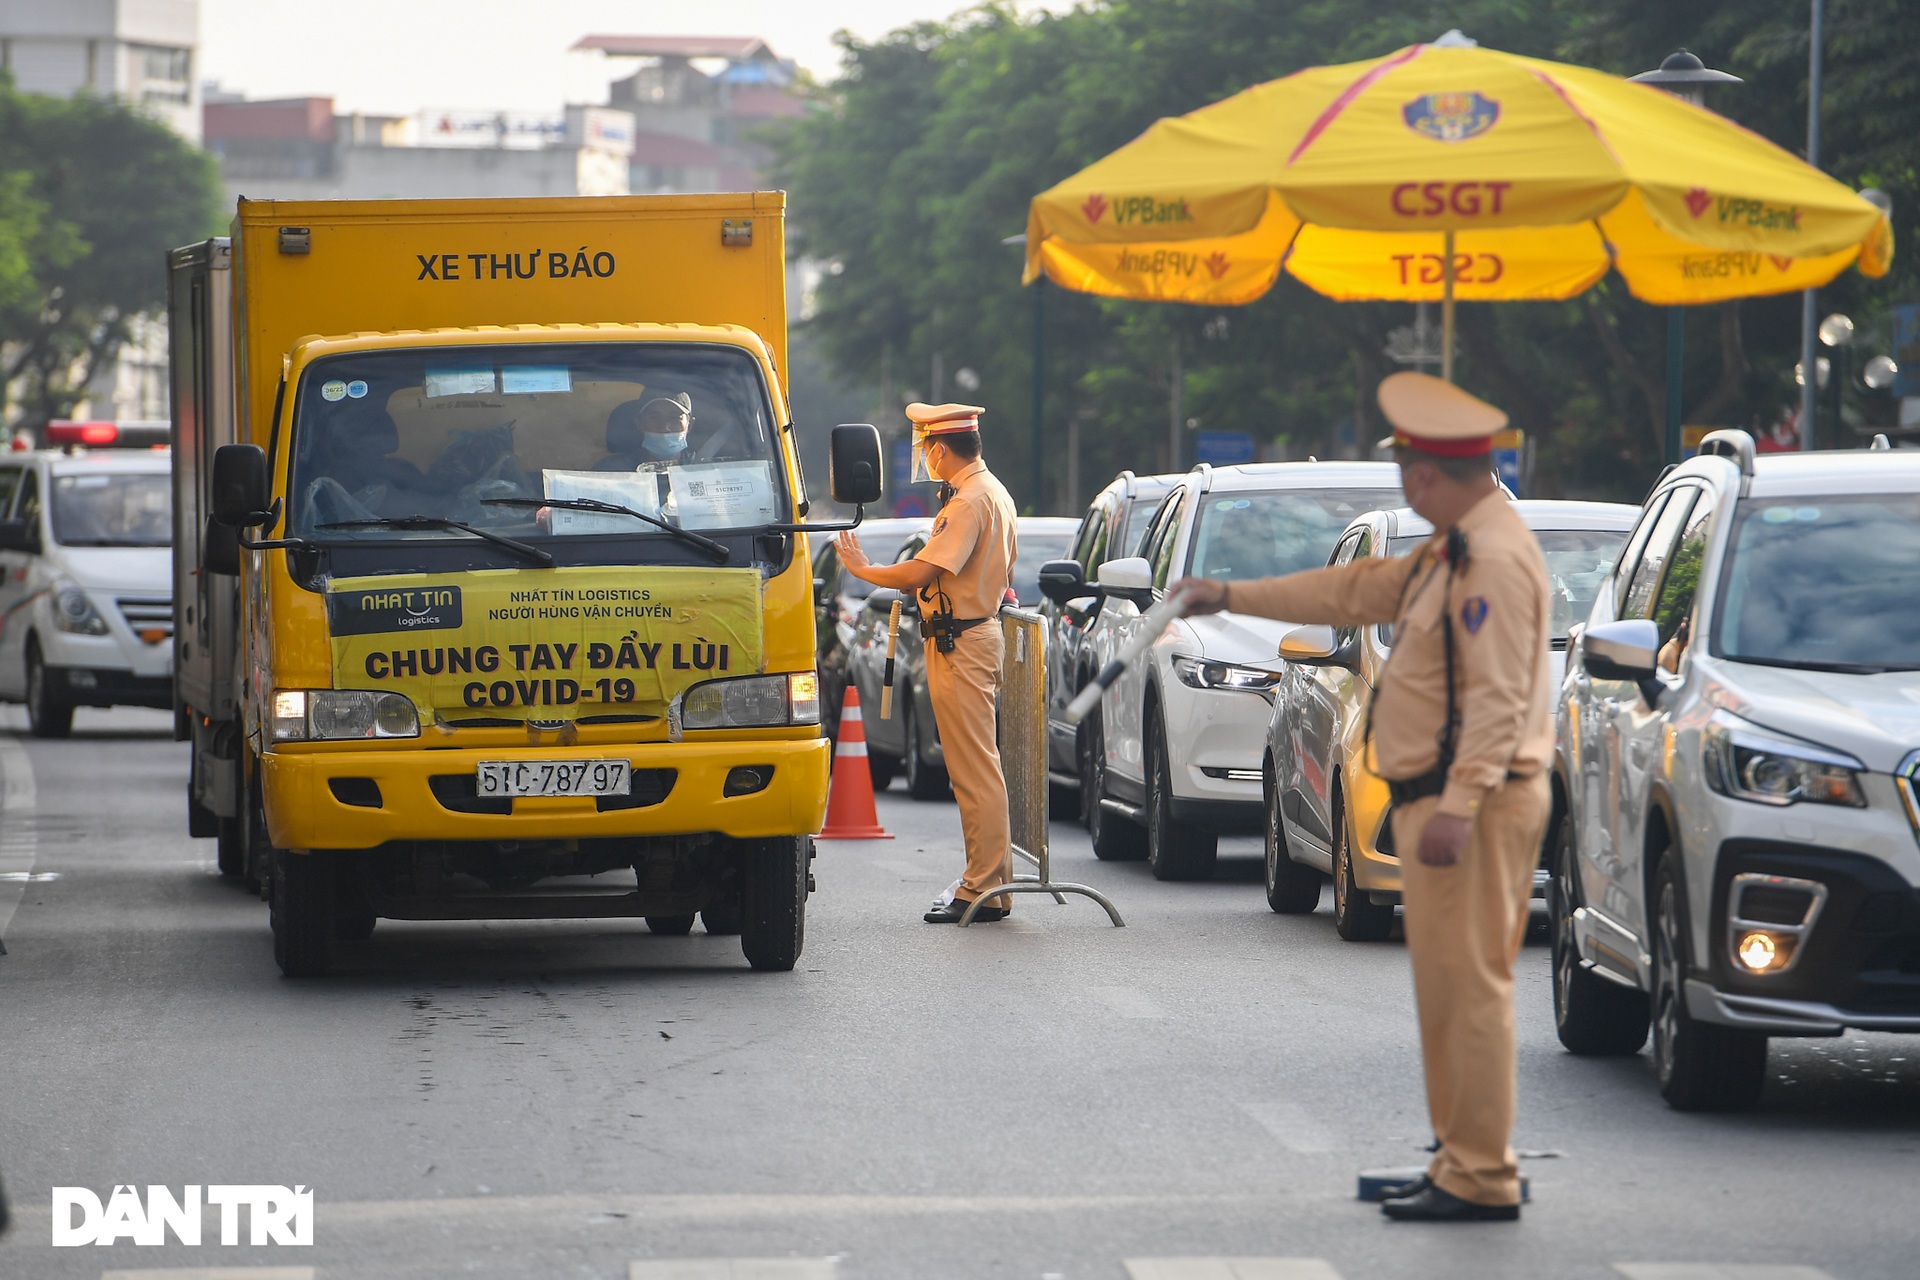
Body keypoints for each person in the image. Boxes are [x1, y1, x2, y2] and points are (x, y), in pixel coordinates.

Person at [1173, 371, 1552, 1223]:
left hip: (1474, 804)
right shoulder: (1458, 545)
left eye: (1409, 471)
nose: (1406, 486)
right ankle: (1459, 1157)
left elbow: (1496, 700)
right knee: (1447, 992)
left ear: (1428, 473)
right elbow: (1354, 591)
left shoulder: (1491, 557)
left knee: (1472, 993)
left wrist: (1457, 803)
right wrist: (1229, 595)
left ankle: (1481, 1173)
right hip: (1444, 796)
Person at [834, 403, 1019, 924]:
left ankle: (982, 887)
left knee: (974, 772)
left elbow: (922, 571)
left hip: (963, 643)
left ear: (939, 448)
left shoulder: (970, 500)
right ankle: (991, 885)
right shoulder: (990, 491)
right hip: (966, 638)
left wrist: (865, 568)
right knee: (976, 770)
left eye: (926, 449)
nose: (926, 460)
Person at [597, 392, 693, 470]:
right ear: (639, 423)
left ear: (690, 424)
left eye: (674, 418)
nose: (664, 427)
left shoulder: (699, 468)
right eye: (654, 417)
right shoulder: (612, 471)